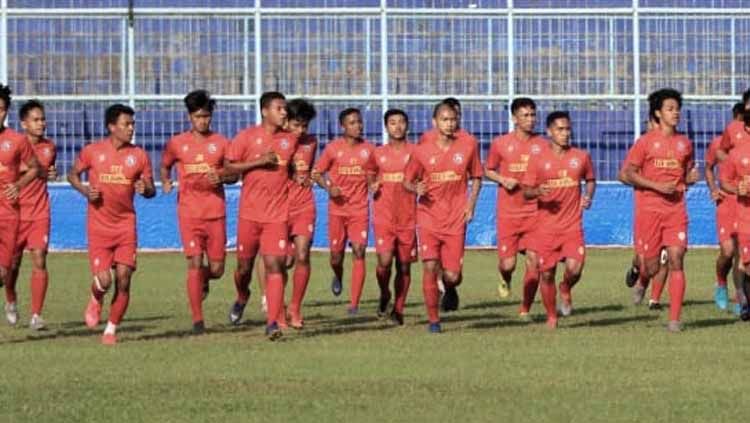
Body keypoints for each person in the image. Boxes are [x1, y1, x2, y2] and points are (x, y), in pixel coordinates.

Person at [68, 104, 156, 345]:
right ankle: (96, 297)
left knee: (124, 278)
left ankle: (111, 329)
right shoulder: (93, 151)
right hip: (99, 226)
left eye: (133, 124)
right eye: (126, 124)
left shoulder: (138, 155)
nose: (131, 129)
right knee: (105, 280)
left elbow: (151, 189)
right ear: (111, 127)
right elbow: (72, 174)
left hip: (125, 225)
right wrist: (85, 190)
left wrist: (145, 188)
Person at [160, 90, 236, 334]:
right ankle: (197, 320)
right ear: (189, 117)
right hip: (189, 212)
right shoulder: (177, 143)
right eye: (198, 116)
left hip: (215, 212)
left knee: (217, 270)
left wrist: (223, 176)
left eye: (206, 116)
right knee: (194, 262)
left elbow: (235, 174)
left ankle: (203, 279)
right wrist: (166, 181)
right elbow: (165, 165)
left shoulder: (222, 143)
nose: (203, 121)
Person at [225, 91, 298, 340]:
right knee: (243, 267)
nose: (284, 112)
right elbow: (227, 169)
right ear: (265, 111)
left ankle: (272, 323)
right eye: (279, 108)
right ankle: (242, 296)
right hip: (249, 215)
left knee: (274, 265)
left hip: (277, 216)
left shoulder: (290, 141)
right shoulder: (246, 137)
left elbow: (295, 167)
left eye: (285, 108)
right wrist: (257, 162)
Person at [403, 102, 482, 333]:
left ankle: (450, 288)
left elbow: (477, 175)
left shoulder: (468, 145)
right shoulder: (421, 151)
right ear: (434, 122)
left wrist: (471, 204)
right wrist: (415, 189)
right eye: (445, 120)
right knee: (429, 266)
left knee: (453, 275)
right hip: (428, 216)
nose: (450, 124)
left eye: (453, 119)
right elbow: (407, 180)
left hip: (456, 217)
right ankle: (433, 320)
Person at [622, 88, 695, 332]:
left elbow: (687, 173)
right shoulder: (645, 142)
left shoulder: (685, 144)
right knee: (652, 267)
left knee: (676, 259)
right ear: (657, 113)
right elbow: (628, 173)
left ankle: (674, 319)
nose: (675, 113)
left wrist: (691, 178)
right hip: (649, 211)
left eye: (677, 109)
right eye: (670, 109)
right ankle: (642, 276)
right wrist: (656, 186)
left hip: (675, 211)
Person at [521, 111, 595, 327]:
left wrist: (588, 196)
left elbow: (590, 179)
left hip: (572, 226)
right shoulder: (538, 160)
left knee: (575, 268)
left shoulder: (581, 157)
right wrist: (537, 192)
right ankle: (552, 316)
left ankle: (566, 287)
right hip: (546, 229)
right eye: (560, 129)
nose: (565, 133)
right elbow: (525, 191)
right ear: (549, 132)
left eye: (567, 129)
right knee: (546, 275)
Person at [484, 97, 548, 318]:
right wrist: (503, 180)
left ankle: (525, 309)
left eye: (533, 115)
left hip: (535, 212)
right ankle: (505, 278)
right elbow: (488, 169)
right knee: (508, 264)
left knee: (535, 260)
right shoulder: (501, 143)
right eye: (525, 115)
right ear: (514, 118)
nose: (530, 120)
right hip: (509, 212)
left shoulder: (543, 144)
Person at [311, 108, 375, 315]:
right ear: (343, 127)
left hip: (359, 209)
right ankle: (337, 275)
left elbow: (377, 174)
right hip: (337, 210)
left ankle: (354, 304)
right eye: (352, 123)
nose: (358, 126)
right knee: (336, 257)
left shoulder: (369, 150)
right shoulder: (332, 149)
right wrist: (329, 187)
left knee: (359, 251)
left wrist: (375, 184)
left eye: (359, 122)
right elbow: (317, 173)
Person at [6, 100, 55, 330]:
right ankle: (11, 300)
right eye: (36, 120)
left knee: (39, 259)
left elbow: (44, 173)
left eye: (42, 119)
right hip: (15, 213)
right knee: (12, 266)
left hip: (39, 212)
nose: (41, 124)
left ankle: (36, 315)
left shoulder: (49, 147)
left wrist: (48, 173)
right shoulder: (14, 145)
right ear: (24, 124)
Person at [369, 109, 417, 325]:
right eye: (392, 123)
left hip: (408, 217)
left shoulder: (417, 152)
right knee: (385, 262)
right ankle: (384, 293)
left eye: (401, 122)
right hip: (384, 216)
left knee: (405, 265)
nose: (397, 126)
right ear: (386, 127)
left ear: (407, 126)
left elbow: (426, 177)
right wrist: (372, 184)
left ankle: (398, 309)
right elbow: (369, 176)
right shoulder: (378, 153)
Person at [0, 85, 41, 325]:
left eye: (2, 109)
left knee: (4, 273)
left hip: (8, 214)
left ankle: (11, 298)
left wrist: (19, 183)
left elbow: (35, 167)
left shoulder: (16, 141)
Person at [704, 103, 746, 312]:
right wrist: (713, 188)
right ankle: (721, 282)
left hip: (745, 204)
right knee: (728, 251)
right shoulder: (718, 145)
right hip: (727, 203)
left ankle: (740, 299)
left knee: (742, 252)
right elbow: (709, 168)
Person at [721, 109, 750, 320]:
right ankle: (743, 299)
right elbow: (726, 181)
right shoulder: (737, 154)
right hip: (746, 216)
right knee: (743, 261)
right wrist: (737, 188)